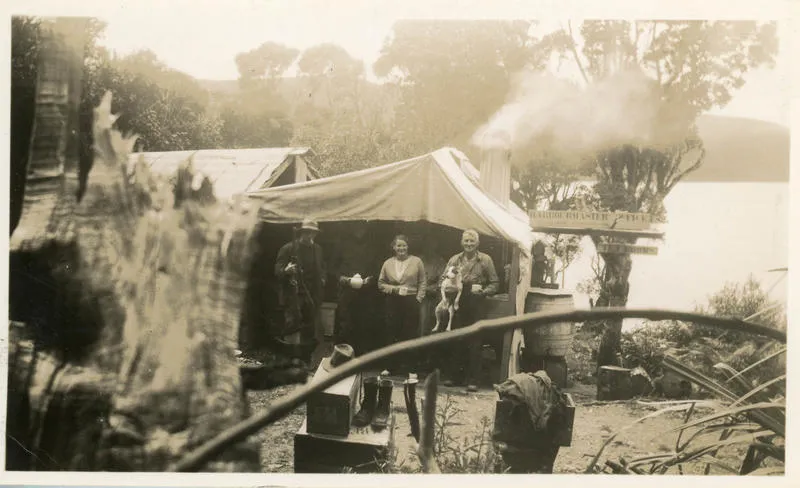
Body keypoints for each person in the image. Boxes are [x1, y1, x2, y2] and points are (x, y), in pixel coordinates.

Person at [443, 229, 499, 392]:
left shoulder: (485, 260)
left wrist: (483, 291)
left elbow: (495, 283)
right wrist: (450, 288)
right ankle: (454, 377)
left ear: (477, 243)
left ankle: (473, 380)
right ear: (462, 242)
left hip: (476, 302)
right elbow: (443, 278)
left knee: (475, 341)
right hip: (458, 302)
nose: (469, 244)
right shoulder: (455, 259)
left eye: (472, 241)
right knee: (457, 338)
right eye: (466, 241)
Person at [274, 218, 326, 360]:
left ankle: (305, 360)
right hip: (293, 295)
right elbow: (277, 271)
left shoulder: (318, 250)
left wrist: (322, 279)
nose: (310, 236)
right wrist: (286, 270)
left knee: (309, 328)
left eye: (313, 233)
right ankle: (290, 360)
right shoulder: (288, 248)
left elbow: (321, 269)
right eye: (307, 233)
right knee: (292, 327)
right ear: (301, 233)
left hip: (311, 296)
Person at [330, 223, 382, 355]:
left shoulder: (373, 245)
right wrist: (343, 279)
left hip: (366, 292)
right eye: (357, 225)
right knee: (345, 324)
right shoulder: (342, 244)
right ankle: (343, 356)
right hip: (346, 291)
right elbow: (333, 267)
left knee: (364, 323)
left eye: (363, 226)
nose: (359, 229)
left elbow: (378, 269)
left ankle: (361, 358)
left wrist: (370, 279)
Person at [378, 234, 426, 372]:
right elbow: (380, 284)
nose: (401, 248)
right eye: (398, 245)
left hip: (411, 301)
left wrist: (418, 298)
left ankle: (411, 369)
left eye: (404, 245)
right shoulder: (387, 263)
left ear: (408, 246)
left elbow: (422, 281)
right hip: (393, 302)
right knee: (392, 333)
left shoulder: (417, 261)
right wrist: (394, 289)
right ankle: (390, 367)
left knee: (410, 334)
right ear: (393, 247)